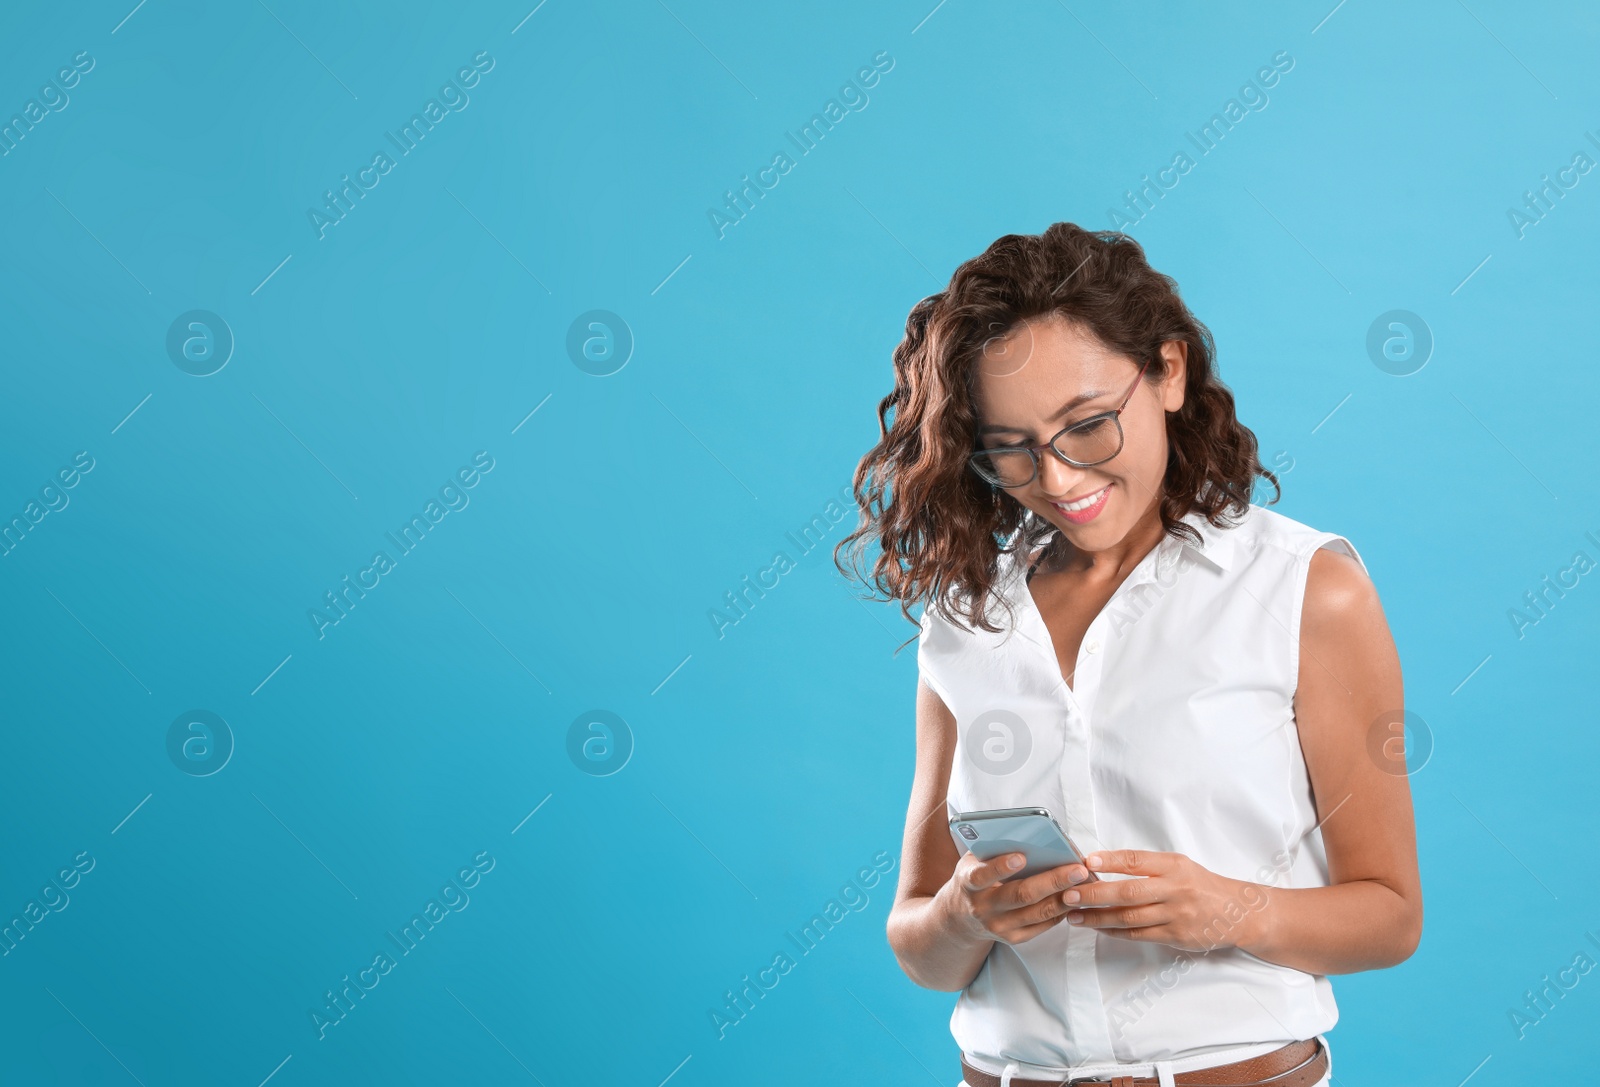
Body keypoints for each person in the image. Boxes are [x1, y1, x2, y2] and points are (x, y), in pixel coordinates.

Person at [833, 223, 1421, 1087]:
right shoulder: (965, 621)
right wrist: (968, 912)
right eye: (1011, 448)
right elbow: (921, 944)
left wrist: (1229, 908)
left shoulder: (1307, 589)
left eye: (1089, 425)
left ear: (1170, 373)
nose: (1060, 477)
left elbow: (1391, 917)